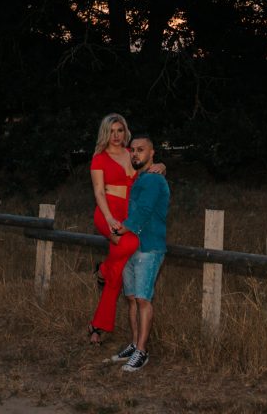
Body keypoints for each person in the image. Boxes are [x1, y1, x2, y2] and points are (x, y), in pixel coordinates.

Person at [87, 114, 166, 344]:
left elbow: (147, 167)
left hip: (128, 216)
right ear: (105, 133)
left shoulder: (132, 154)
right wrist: (109, 218)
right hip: (107, 213)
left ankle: (97, 325)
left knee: (117, 273)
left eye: (119, 130)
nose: (116, 136)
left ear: (125, 131)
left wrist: (162, 165)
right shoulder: (99, 158)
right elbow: (99, 192)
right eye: (111, 131)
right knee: (131, 244)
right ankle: (103, 270)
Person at [109, 134, 169, 372]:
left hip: (149, 247)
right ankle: (134, 345)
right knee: (132, 298)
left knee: (143, 299)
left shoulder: (154, 180)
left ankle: (142, 352)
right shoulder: (140, 178)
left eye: (141, 150)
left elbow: (144, 210)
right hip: (131, 246)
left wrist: (123, 228)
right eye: (132, 150)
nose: (135, 154)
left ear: (152, 153)